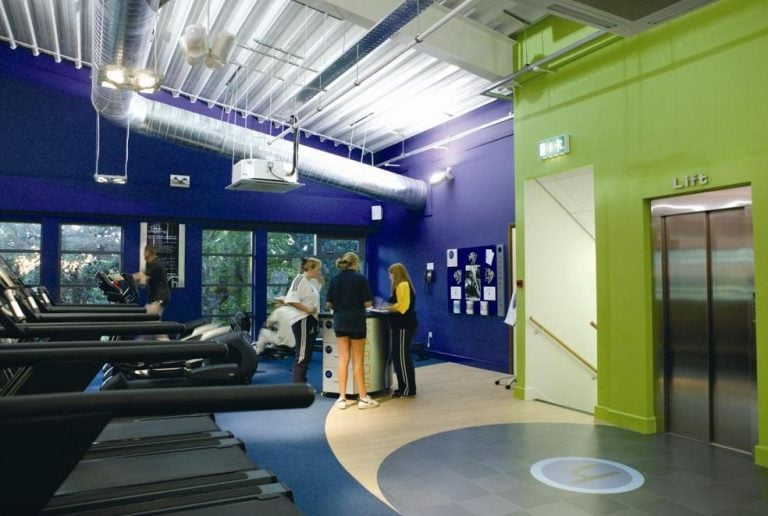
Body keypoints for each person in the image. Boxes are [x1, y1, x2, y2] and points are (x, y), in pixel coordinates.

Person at [326, 251, 379, 410]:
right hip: (356, 322)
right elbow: (368, 303)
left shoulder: (335, 279)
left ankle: (341, 398)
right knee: (358, 361)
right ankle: (363, 398)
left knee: (343, 360)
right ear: (355, 263)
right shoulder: (360, 279)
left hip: (340, 322)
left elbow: (329, 303)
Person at [284, 257, 322, 383]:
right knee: (302, 354)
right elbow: (290, 300)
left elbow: (321, 283)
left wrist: (318, 275)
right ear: (310, 268)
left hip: (311, 320)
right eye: (318, 269)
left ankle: (302, 381)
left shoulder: (310, 282)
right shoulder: (299, 279)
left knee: (307, 354)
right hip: (303, 320)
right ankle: (298, 383)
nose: (319, 272)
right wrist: (307, 309)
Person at [385, 263, 418, 398]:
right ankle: (403, 386)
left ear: (396, 273)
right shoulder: (401, 286)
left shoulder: (402, 285)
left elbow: (403, 307)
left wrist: (386, 308)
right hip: (400, 326)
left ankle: (408, 389)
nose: (389, 277)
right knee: (397, 356)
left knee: (402, 357)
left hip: (404, 325)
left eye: (390, 274)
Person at [133, 245, 170, 339]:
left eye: (144, 252)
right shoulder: (150, 264)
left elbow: (142, 277)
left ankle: (140, 343)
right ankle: (165, 344)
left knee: (148, 323)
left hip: (159, 298)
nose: (143, 255)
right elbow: (142, 276)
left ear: (148, 253)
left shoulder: (155, 265)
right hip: (155, 298)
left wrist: (123, 278)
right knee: (153, 324)